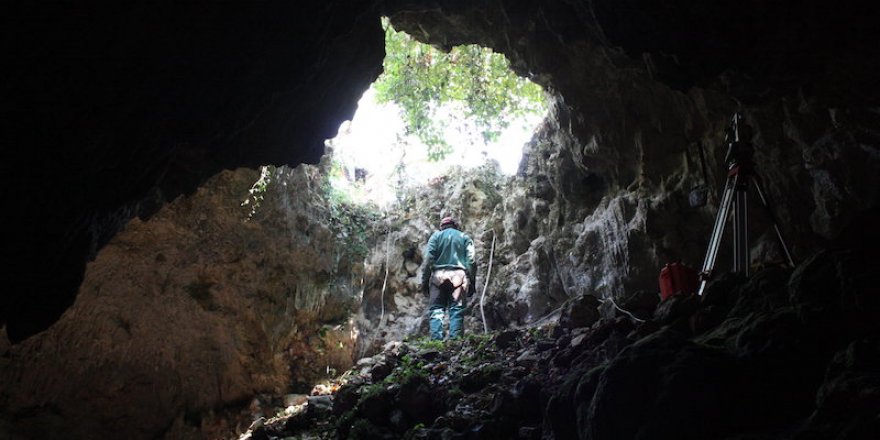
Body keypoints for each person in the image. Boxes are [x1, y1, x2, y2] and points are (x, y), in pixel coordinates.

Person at [421, 217, 476, 340]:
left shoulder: (435, 237)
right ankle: (455, 342)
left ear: (442, 226)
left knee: (436, 310)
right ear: (455, 226)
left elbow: (428, 260)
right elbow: (471, 261)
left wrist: (424, 282)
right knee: (456, 311)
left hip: (438, 277)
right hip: (459, 277)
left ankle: (436, 342)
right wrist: (472, 282)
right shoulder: (464, 237)